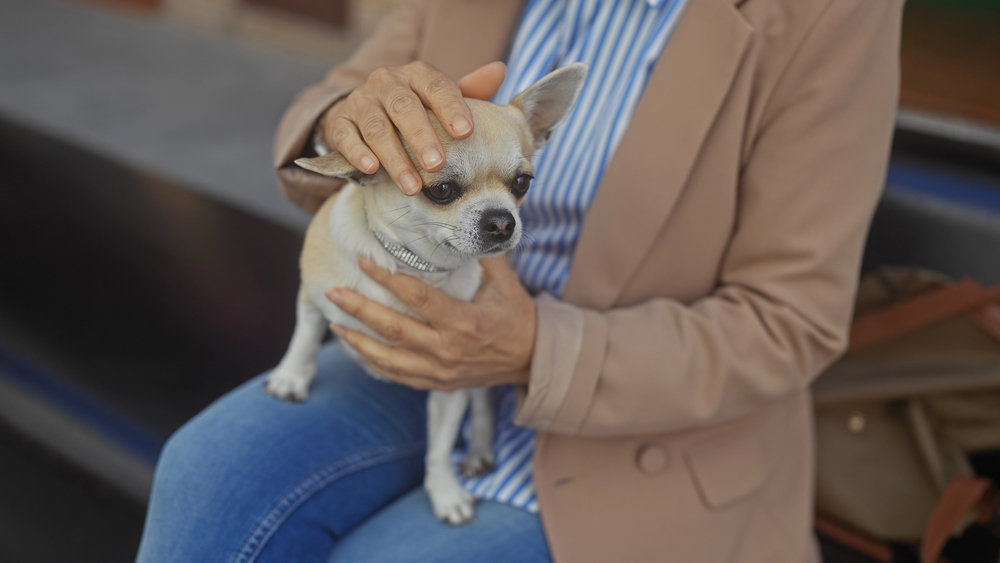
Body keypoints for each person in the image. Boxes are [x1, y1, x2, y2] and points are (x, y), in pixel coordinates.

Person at [134, 0, 904, 561]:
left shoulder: (829, 15)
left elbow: (791, 321)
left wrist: (536, 348)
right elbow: (338, 100)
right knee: (208, 474)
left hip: (646, 429)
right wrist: (350, 119)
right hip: (423, 349)